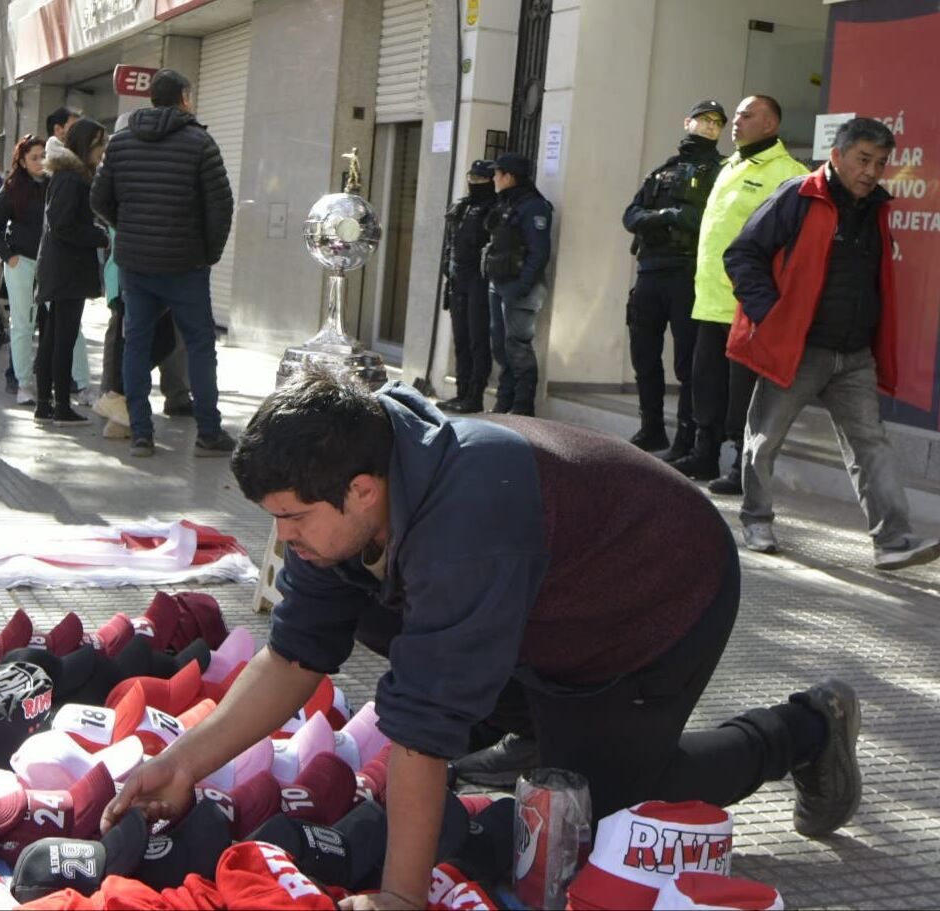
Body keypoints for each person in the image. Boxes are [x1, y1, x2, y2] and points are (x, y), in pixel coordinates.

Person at [100, 370, 862, 910]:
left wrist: (401, 896)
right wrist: (180, 764)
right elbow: (294, 654)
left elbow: (422, 728)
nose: (280, 535)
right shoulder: (352, 486)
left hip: (658, 596)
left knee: (598, 816)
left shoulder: (465, 524)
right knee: (363, 605)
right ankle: (537, 726)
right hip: (547, 600)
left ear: (361, 490)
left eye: (292, 516)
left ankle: (807, 726)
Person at [723, 117, 940, 570]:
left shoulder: (875, 209)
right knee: (765, 440)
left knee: (872, 445)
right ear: (836, 156)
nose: (871, 171)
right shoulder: (798, 196)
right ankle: (757, 519)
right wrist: (772, 316)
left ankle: (893, 541)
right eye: (863, 160)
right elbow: (742, 254)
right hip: (799, 349)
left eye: (880, 163)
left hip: (854, 355)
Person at [92, 68, 235, 458]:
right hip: (185, 264)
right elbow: (221, 205)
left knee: (135, 343)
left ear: (150, 98)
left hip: (136, 265)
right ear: (184, 97)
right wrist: (208, 252)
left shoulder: (120, 143)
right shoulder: (200, 142)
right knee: (200, 345)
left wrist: (130, 228)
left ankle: (140, 433)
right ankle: (209, 433)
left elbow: (99, 199)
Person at [671, 95, 808, 489]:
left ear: (771, 124)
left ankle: (742, 469)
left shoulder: (787, 173)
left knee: (742, 396)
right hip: (710, 301)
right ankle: (704, 455)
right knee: (706, 386)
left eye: (747, 116)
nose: (736, 122)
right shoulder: (730, 165)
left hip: (746, 306)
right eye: (739, 115)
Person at [622, 100, 726, 457]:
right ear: (688, 122)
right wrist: (666, 216)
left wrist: (666, 216)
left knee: (688, 363)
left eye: (717, 123)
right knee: (644, 354)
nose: (710, 126)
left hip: (687, 273)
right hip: (650, 272)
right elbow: (631, 215)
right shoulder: (662, 171)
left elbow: (707, 221)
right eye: (704, 120)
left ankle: (686, 438)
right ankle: (651, 429)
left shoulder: (722, 171)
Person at [33, 118, 109, 426]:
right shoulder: (71, 179)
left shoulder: (68, 176)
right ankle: (60, 404)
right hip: (67, 270)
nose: (102, 150)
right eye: (99, 144)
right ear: (86, 145)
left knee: (54, 336)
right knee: (61, 338)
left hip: (62, 268)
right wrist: (99, 236)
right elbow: (63, 226)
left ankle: (45, 403)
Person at [482, 152, 553, 416]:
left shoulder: (534, 207)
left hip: (519, 288)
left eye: (498, 174)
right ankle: (504, 404)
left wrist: (522, 286)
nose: (494, 179)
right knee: (501, 347)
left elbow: (539, 252)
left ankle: (522, 408)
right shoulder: (507, 204)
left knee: (518, 348)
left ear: (509, 177)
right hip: (499, 284)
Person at [0, 134, 48, 406]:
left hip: (52, 263)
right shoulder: (12, 187)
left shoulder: (55, 183)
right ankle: (22, 382)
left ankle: (76, 383)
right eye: (34, 157)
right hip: (22, 261)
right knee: (23, 324)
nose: (40, 162)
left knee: (60, 324)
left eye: (43, 156)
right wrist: (8, 256)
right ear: (22, 161)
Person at [438, 159, 496, 415]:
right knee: (460, 339)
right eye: (471, 179)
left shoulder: (493, 209)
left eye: (480, 180)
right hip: (457, 280)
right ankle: (461, 393)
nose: (474, 184)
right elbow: (449, 243)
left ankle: (475, 396)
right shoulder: (460, 207)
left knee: (477, 340)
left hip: (479, 282)